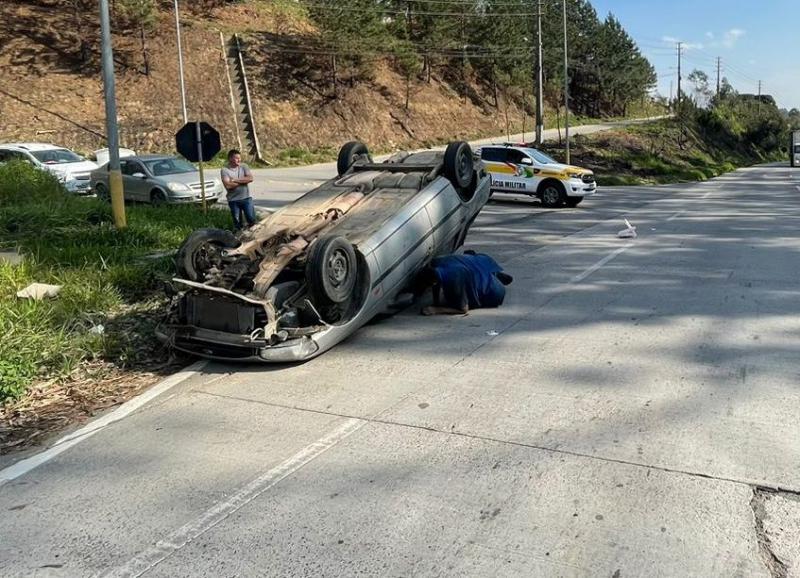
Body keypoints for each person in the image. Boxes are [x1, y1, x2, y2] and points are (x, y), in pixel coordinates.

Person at [418, 251, 513, 316]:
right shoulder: (437, 261)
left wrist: (436, 310)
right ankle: (495, 274)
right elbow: (436, 284)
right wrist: (436, 302)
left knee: (453, 300)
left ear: (434, 283)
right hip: (482, 262)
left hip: (495, 292)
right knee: (476, 271)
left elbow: (463, 309)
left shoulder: (454, 281)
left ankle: (495, 279)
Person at [220, 149, 257, 229]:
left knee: (251, 219)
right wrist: (243, 181)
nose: (239, 160)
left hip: (246, 198)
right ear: (230, 158)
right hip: (233, 200)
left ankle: (253, 234)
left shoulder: (244, 166)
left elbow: (250, 179)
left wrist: (235, 180)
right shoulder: (224, 170)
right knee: (238, 223)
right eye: (236, 158)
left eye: (240, 158)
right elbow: (228, 186)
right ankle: (240, 237)